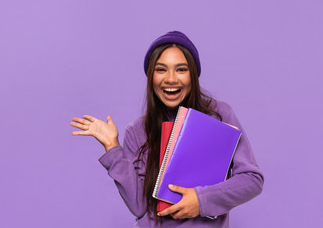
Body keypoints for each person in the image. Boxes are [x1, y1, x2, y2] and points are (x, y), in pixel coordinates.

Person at [70, 31, 264, 227]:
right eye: (161, 70)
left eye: (181, 69)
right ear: (150, 77)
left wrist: (201, 200)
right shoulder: (137, 130)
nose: (171, 79)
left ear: (193, 75)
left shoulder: (219, 115)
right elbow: (139, 207)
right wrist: (112, 147)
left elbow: (251, 180)